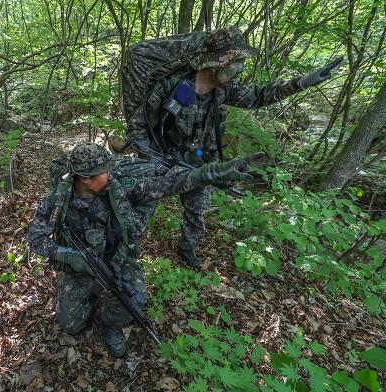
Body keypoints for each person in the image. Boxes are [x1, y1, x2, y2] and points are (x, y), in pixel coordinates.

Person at [124, 26, 342, 269]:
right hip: (164, 158)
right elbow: (137, 127)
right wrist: (150, 157)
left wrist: (300, 83)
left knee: (197, 212)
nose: (239, 68)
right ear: (215, 62)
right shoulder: (173, 87)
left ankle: (187, 250)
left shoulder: (224, 90)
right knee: (143, 206)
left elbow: (259, 96)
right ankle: (126, 250)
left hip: (198, 160)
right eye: (235, 61)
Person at [27, 142, 258, 356]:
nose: (110, 175)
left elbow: (166, 185)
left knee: (135, 296)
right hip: (80, 265)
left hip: (116, 255)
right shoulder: (57, 199)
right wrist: (68, 255)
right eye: (104, 172)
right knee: (70, 325)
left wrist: (211, 173)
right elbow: (35, 238)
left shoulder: (115, 187)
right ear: (85, 178)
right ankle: (87, 293)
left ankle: (110, 325)